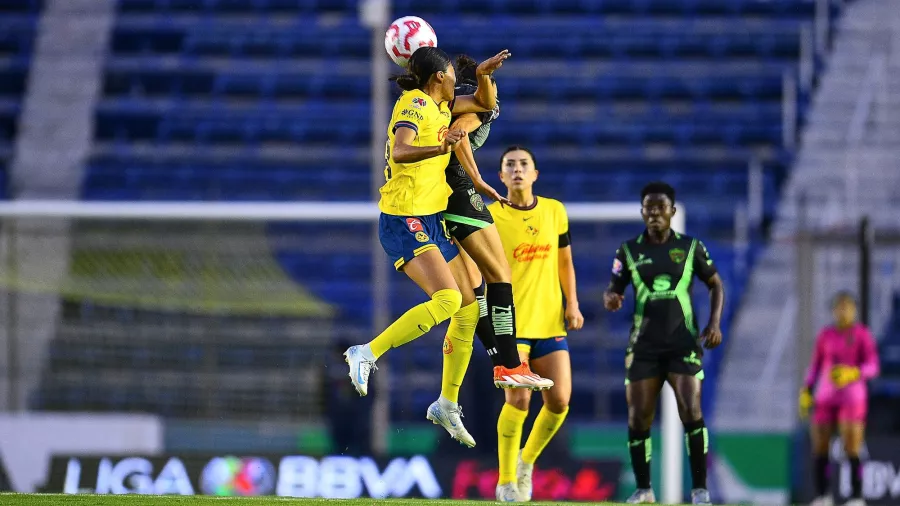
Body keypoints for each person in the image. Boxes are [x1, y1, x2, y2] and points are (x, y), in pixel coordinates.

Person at [344, 46, 508, 448]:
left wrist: (484, 74)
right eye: (453, 72)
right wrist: (441, 147)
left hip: (430, 219)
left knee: (471, 305)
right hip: (405, 219)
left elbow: (485, 103)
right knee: (450, 299)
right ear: (439, 77)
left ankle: (446, 403)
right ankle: (366, 352)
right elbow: (401, 149)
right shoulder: (415, 105)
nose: (456, 77)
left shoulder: (443, 104)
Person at [603, 181, 725, 505]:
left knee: (691, 410)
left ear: (672, 211)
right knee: (638, 417)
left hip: (682, 344)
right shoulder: (628, 251)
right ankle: (644, 489)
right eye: (649, 207)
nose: (655, 212)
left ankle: (699, 490)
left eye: (661, 207)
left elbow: (716, 284)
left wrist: (714, 323)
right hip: (643, 347)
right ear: (642, 211)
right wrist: (612, 297)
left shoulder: (691, 247)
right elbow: (613, 289)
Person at [445, 56, 554, 392]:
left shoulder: (447, 102)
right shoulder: (476, 108)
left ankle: (500, 363)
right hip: (460, 195)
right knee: (499, 277)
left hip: (437, 200)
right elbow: (458, 133)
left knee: (473, 292)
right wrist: (476, 177)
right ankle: (510, 363)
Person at [487, 146, 584, 501]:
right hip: (511, 325)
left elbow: (565, 263)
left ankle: (527, 463)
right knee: (519, 400)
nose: (516, 170)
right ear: (500, 176)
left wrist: (572, 303)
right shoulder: (491, 215)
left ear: (535, 174)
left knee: (559, 401)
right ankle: (507, 480)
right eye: (509, 165)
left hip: (550, 321)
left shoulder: (555, 211)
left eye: (523, 164)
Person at [799, 292, 879, 506]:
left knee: (852, 445)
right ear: (834, 310)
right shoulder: (826, 335)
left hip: (852, 398)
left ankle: (856, 496)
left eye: (847, 307)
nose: (843, 311)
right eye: (839, 307)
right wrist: (806, 390)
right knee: (820, 446)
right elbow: (815, 366)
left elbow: (873, 366)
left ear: (854, 309)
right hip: (825, 397)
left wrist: (853, 373)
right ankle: (823, 496)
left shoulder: (862, 334)